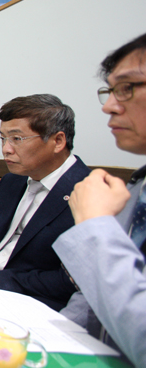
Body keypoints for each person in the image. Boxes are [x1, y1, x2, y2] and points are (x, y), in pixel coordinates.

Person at [52, 33, 146, 366]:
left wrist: (95, 225)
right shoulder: (135, 186)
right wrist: (56, 341)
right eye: (109, 90)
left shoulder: (96, 194)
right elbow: (91, 298)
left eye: (127, 88)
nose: (108, 105)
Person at [0, 95, 89, 311]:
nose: (6, 149)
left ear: (58, 141)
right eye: (3, 138)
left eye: (17, 139)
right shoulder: (12, 181)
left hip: (29, 304)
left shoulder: (85, 192)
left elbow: (71, 279)